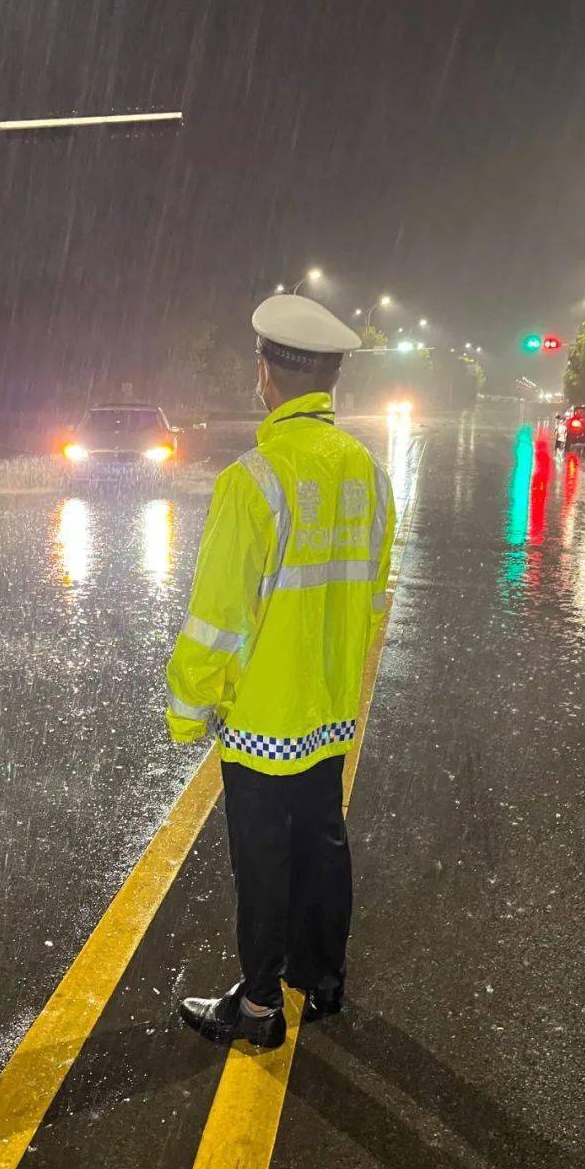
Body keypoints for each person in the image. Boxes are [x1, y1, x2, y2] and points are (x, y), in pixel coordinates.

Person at [166, 294, 396, 1049]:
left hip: (264, 717)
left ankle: (260, 1008)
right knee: (322, 841)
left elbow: (218, 622)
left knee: (262, 858)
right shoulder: (367, 473)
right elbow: (367, 593)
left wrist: (190, 708)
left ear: (265, 374)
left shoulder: (252, 481)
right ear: (331, 381)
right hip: (330, 707)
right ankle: (321, 981)